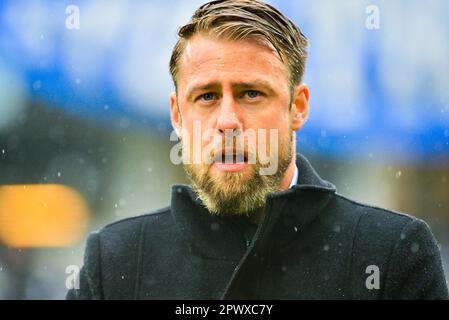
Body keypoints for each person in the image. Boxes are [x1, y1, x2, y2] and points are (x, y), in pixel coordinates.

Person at [67, 0, 448, 299]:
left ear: (297, 107)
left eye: (251, 93)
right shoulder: (115, 259)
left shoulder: (391, 252)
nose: (228, 120)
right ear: (177, 114)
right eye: (206, 96)